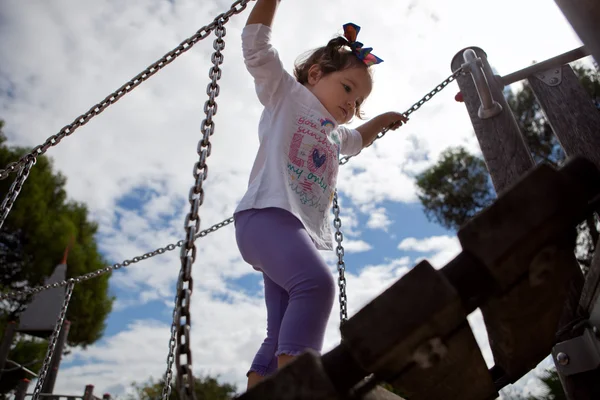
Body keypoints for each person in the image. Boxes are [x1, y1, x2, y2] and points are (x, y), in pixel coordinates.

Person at [233, 0, 407, 390]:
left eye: (359, 101)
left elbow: (358, 140)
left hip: (286, 229)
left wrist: (381, 120)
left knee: (278, 329)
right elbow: (257, 48)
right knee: (316, 286)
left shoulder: (335, 132)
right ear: (315, 74)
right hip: (266, 216)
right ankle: (302, 389)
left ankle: (261, 388)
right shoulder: (287, 95)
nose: (352, 103)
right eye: (348, 88)